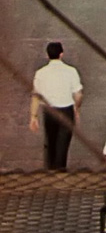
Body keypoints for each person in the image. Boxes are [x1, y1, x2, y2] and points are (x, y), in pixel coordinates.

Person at [29, 41, 83, 170]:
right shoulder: (71, 71)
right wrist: (77, 108)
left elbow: (36, 96)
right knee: (63, 145)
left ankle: (50, 168)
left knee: (50, 141)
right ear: (61, 54)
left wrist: (33, 116)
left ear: (47, 55)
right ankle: (60, 170)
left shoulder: (40, 73)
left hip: (49, 111)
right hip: (66, 110)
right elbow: (78, 94)